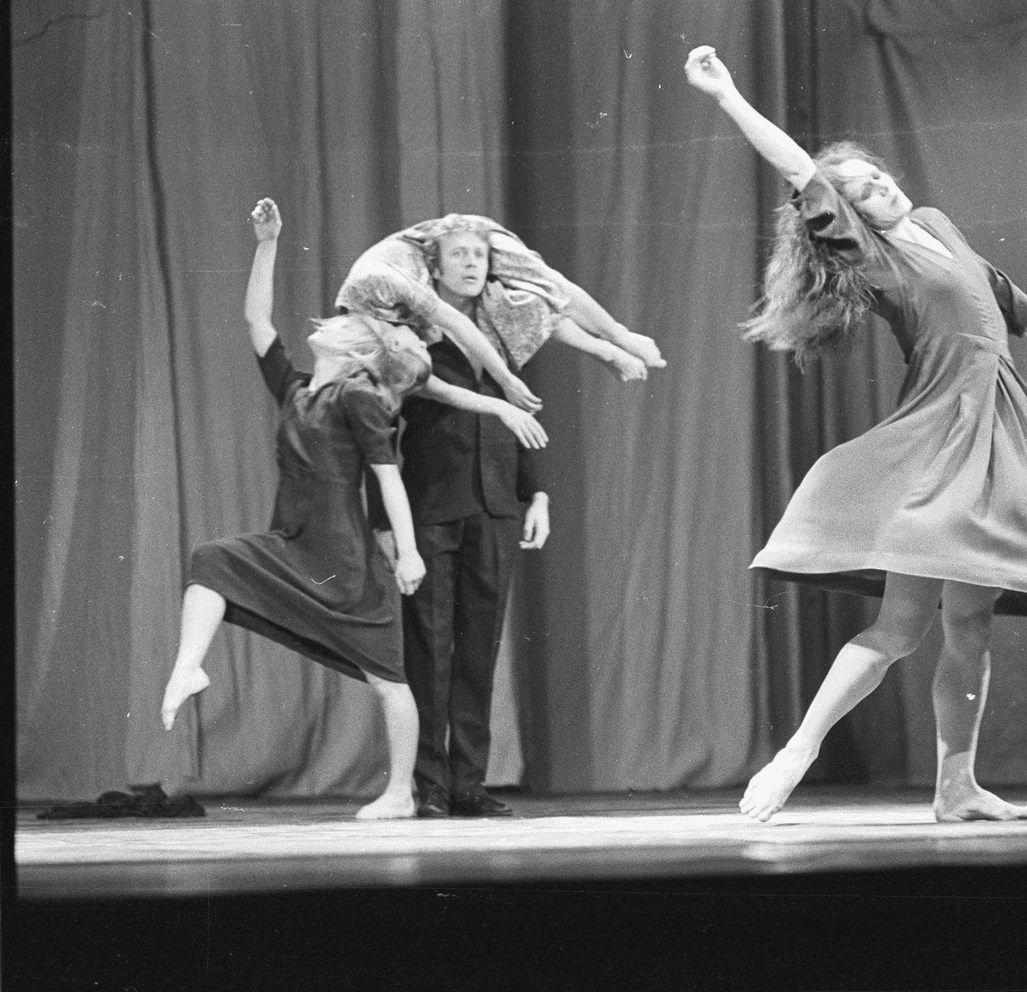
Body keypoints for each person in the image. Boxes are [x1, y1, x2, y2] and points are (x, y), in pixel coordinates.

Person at [685, 46, 1027, 822]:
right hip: (945, 431)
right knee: (904, 626)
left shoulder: (936, 224)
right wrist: (728, 97)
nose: (882, 186)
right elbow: (800, 172)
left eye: (878, 177)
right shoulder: (870, 254)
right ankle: (797, 753)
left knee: (971, 623)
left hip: (1000, 423)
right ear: (847, 218)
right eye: (863, 191)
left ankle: (957, 787)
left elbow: (1006, 297)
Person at [159, 199, 432, 820]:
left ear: (358, 349)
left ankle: (400, 792)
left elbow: (388, 480)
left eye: (337, 324)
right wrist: (268, 243)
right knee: (211, 560)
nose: (322, 324)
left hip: (342, 559)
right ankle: (187, 667)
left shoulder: (358, 398)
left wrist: (410, 552)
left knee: (388, 679)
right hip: (294, 541)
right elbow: (256, 320)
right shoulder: (298, 391)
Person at [366, 216, 554, 818]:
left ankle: (469, 784)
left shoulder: (505, 333)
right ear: (435, 268)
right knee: (429, 648)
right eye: (460, 254)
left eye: (480, 254)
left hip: (495, 508)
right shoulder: (410, 336)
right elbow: (377, 427)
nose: (473, 263)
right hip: (430, 508)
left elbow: (522, 418)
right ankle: (430, 788)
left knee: (478, 651)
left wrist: (536, 495)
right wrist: (386, 525)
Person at [337, 213, 665, 414]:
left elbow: (556, 287)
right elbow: (430, 384)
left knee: (541, 287)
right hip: (426, 269)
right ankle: (602, 349)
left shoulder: (384, 283)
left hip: (459, 234)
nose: (471, 263)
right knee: (509, 308)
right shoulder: (387, 327)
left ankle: (616, 340)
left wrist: (621, 337)